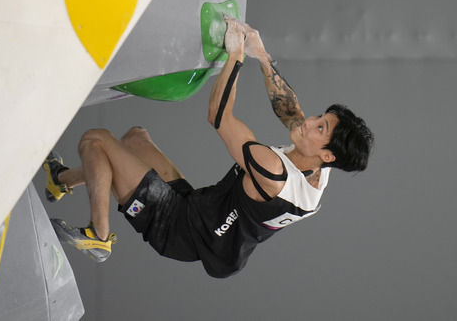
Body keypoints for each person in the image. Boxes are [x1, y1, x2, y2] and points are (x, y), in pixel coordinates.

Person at [43, 17, 374, 278]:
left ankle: (98, 237)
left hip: (177, 228)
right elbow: (291, 112)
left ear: (328, 154)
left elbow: (218, 117)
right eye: (320, 117)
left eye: (320, 127)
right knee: (134, 139)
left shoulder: (274, 173)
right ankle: (61, 181)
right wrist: (262, 53)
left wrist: (236, 56)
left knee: (95, 140)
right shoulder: (318, 172)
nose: (309, 121)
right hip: (196, 209)